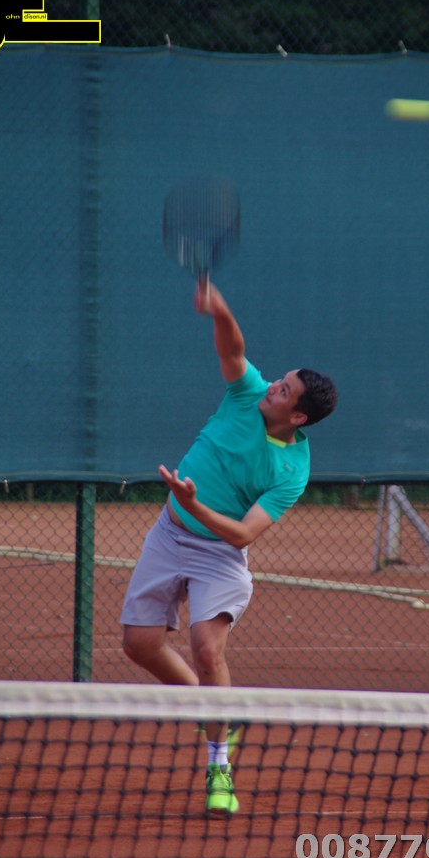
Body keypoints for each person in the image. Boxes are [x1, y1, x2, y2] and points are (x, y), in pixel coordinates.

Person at [121, 282, 338, 815]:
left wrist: (193, 505)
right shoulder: (247, 394)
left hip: (219, 554)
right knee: (139, 645)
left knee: (207, 647)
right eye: (280, 380)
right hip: (168, 536)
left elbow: (242, 535)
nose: (274, 387)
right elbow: (233, 349)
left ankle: (219, 762)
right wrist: (220, 309)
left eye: (284, 390)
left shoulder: (292, 468)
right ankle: (216, 711)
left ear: (298, 417)